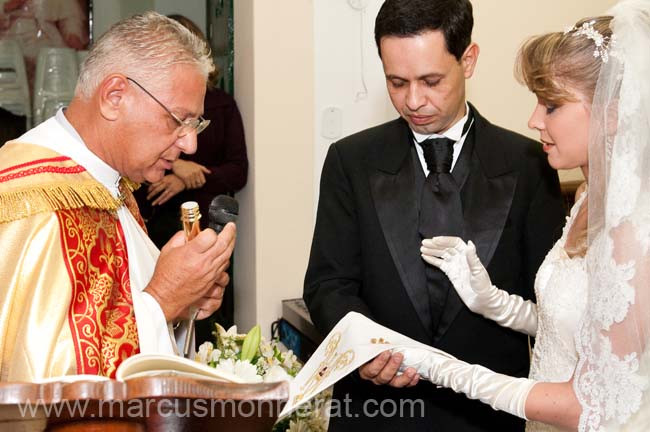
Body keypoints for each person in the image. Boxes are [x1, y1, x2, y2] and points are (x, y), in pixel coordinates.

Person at [303, 0, 565, 430]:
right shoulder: (351, 160)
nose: (413, 100)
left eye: (430, 81)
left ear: (469, 59)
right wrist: (366, 350)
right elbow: (327, 284)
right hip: (376, 410)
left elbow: (550, 305)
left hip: (487, 414)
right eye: (396, 82)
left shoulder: (529, 163)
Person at [411, 1, 650, 430]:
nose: (533, 120)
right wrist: (494, 303)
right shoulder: (587, 198)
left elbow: (589, 403)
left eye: (551, 105)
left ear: (612, 113)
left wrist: (449, 371)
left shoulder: (633, 230)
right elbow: (580, 330)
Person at [0, 11, 236, 382]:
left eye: (196, 124)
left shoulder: (110, 184)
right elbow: (42, 382)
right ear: (114, 96)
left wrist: (183, 303)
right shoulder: (34, 198)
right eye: (179, 120)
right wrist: (165, 297)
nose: (190, 143)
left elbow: (117, 319)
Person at [134, 14, 248, 333]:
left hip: (208, 225)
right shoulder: (150, 107)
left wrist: (189, 176)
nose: (189, 143)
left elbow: (238, 170)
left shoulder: (223, 105)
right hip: (157, 226)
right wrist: (173, 167)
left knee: (211, 317)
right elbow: (134, 173)